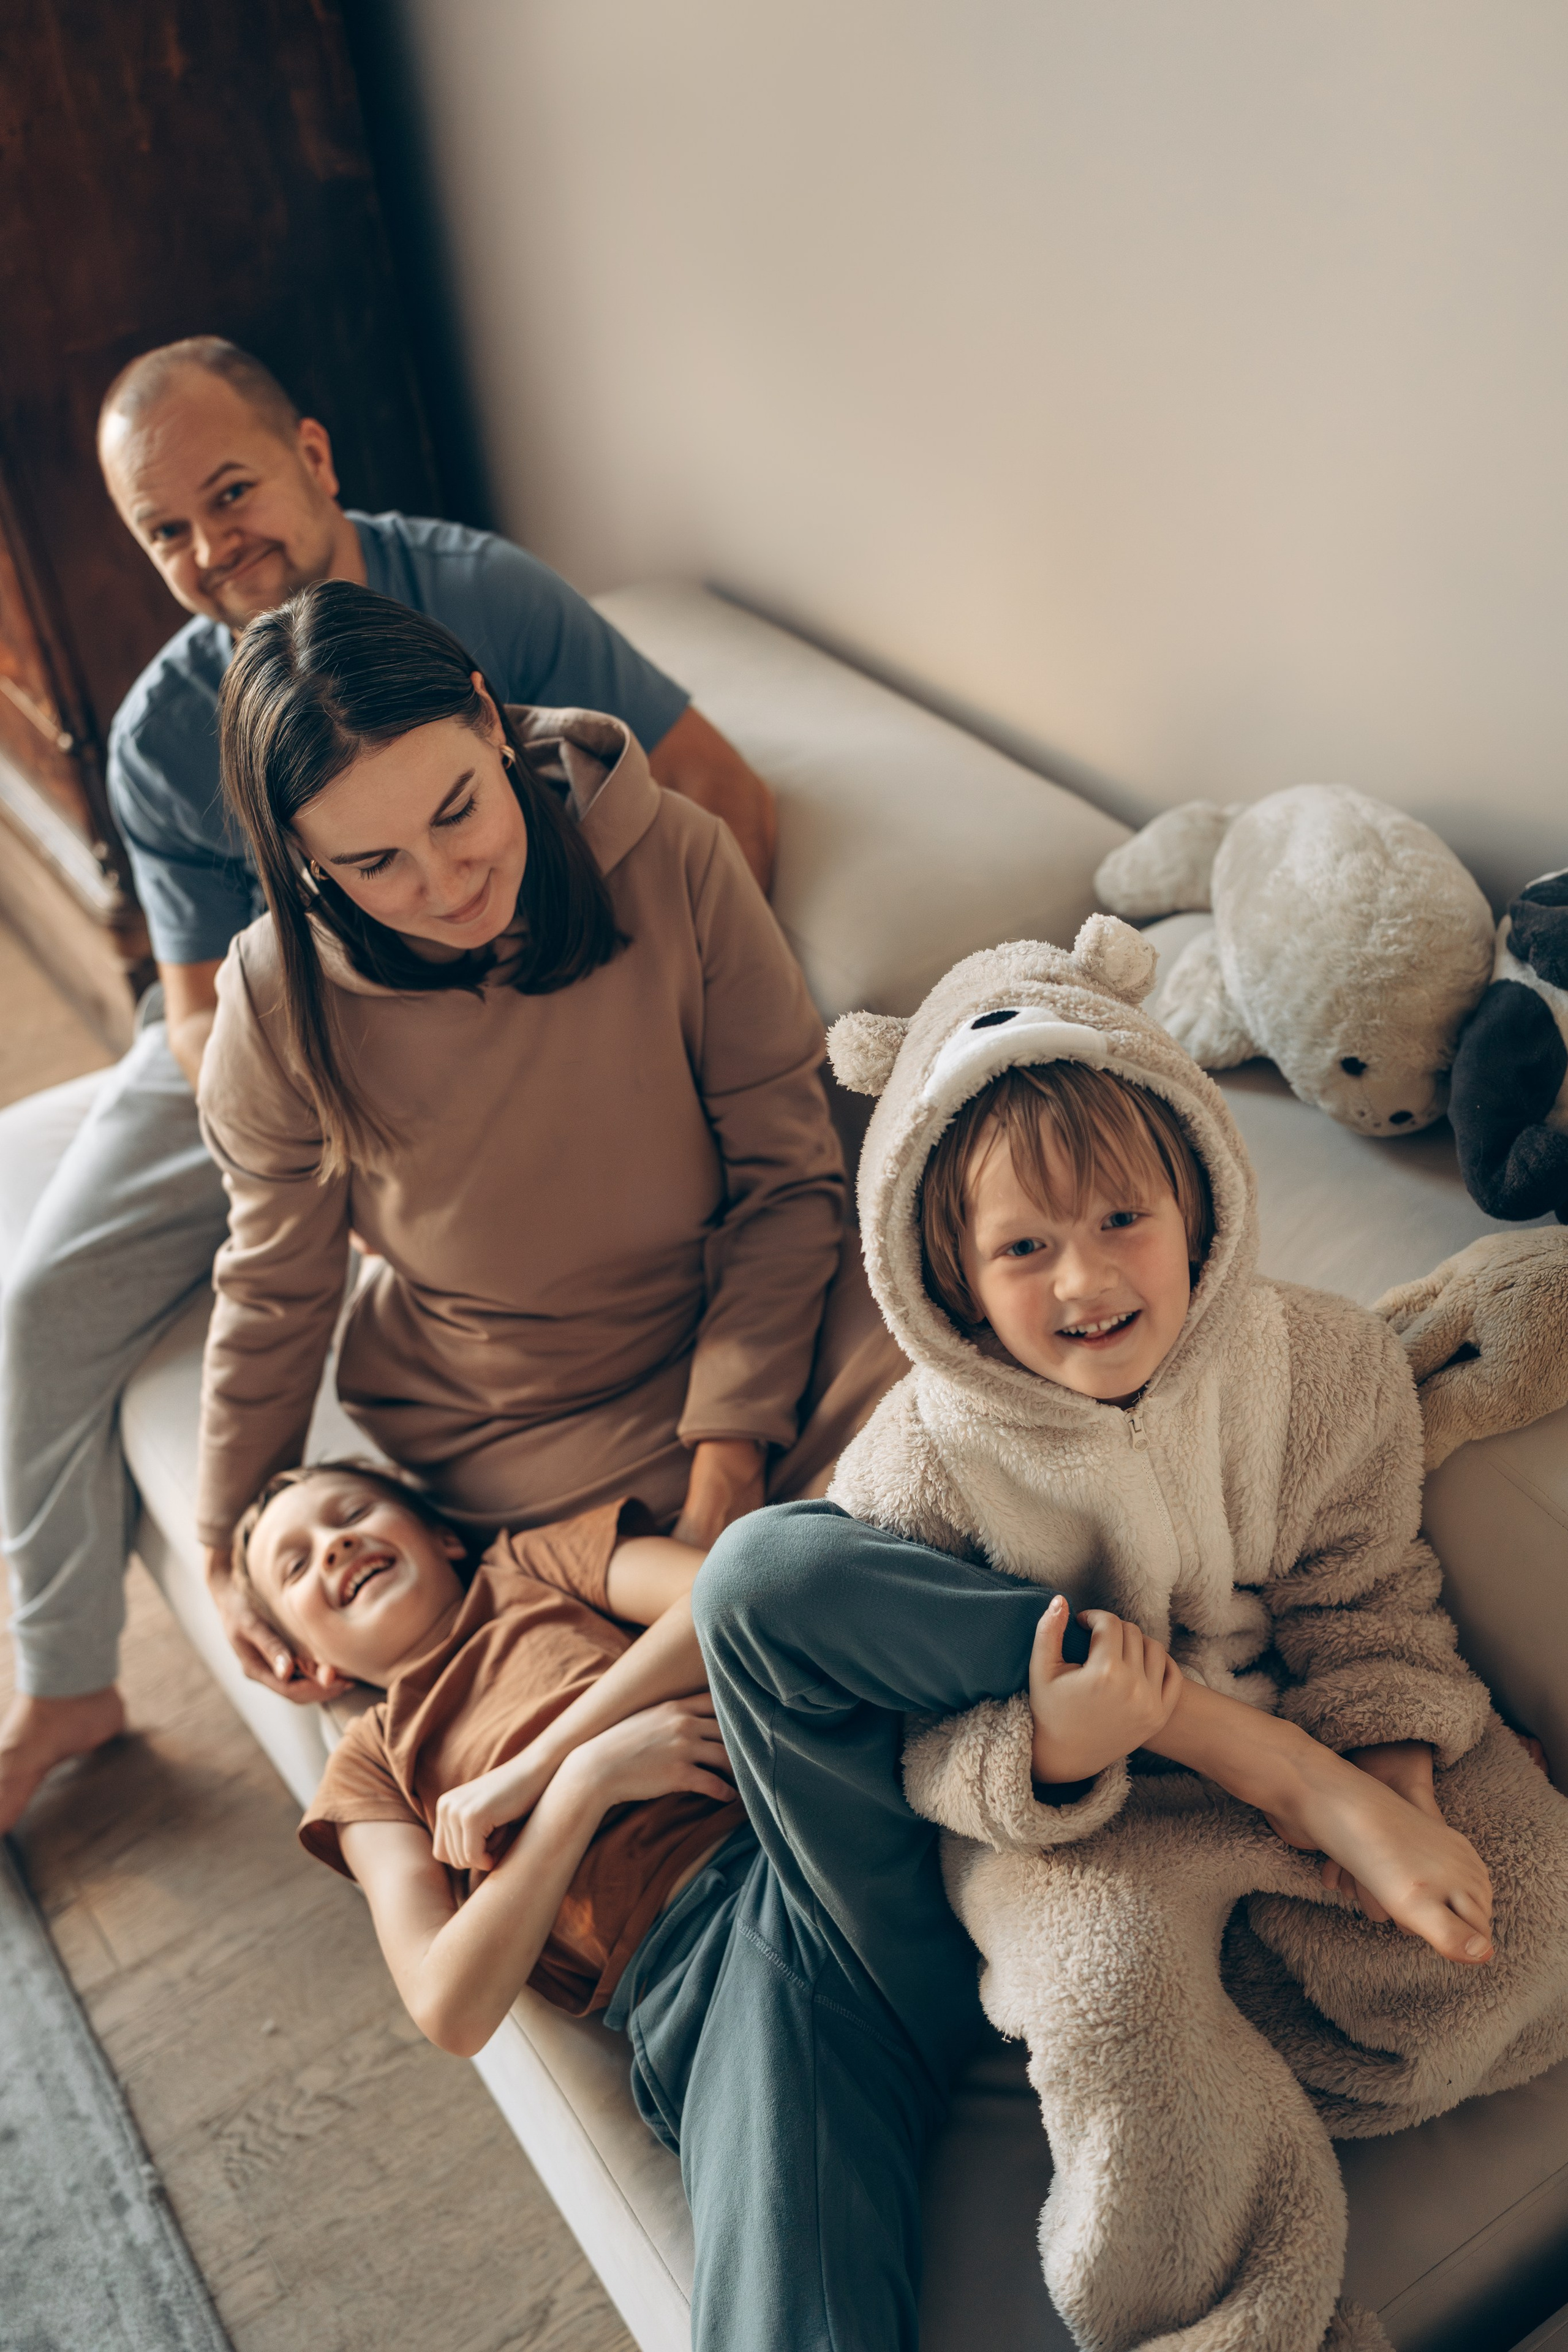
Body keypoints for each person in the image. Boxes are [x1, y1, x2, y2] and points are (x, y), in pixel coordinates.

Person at [701, 924, 1566, 2346]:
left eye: (1121, 1221)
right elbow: (921, 1742)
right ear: (947, 1272)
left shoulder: (1319, 1366)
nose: (1083, 1278)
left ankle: (1257, 2055)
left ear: (1196, 1197)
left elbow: (1367, 1590)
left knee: (1517, 1914)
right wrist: (1047, 1747)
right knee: (1112, 2006)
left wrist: (1395, 1778)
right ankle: (1227, 2309)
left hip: (1304, 1738)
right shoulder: (915, 1465)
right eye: (1021, 1249)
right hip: (1077, 1827)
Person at [0, 334, 777, 1830]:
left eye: (231, 494)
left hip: (533, 967)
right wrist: (347, 1144)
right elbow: (196, 1018)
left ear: (315, 455)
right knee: (47, 1299)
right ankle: (66, 1673)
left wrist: (606, 1008)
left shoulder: (482, 599)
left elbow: (714, 800)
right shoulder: (165, 736)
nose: (213, 547)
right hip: (277, 1029)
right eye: (166, 531)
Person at [244, 1454, 1498, 2352]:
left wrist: (546, 1747)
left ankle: (1268, 1761)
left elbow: (722, 1599)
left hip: (826, 1838)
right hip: (708, 1995)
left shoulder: (530, 1566)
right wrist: (576, 1795)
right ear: (302, 1669)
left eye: (349, 1511)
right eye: (294, 1564)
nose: (335, 1547)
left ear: (437, 1533)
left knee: (764, 1562)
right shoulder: (373, 1772)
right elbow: (450, 2003)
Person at [188, 580, 900, 1679]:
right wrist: (222, 1537)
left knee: (965, 1407)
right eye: (374, 864)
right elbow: (277, 1284)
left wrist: (730, 1450)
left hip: (765, 1317)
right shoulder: (275, 1004)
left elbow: (789, 1178)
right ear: (304, 856)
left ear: (488, 720)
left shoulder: (679, 857)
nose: (446, 883)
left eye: (457, 810)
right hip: (518, 1422)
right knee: (799, 1627)